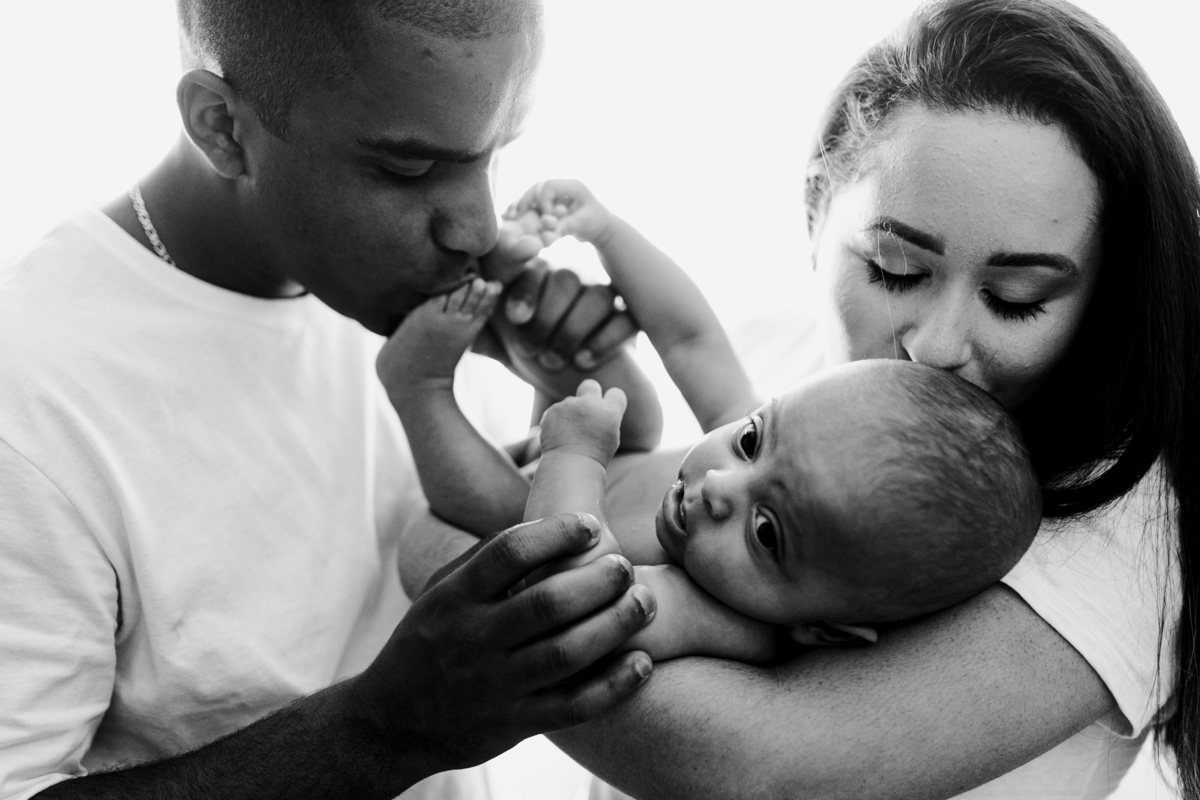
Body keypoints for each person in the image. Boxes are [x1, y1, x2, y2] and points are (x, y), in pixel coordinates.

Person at [397, 0, 1200, 796]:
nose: (937, 347)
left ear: (1110, 299)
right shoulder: (796, 377)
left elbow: (742, 764)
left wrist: (461, 533)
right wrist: (571, 341)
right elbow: (688, 347)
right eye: (895, 269)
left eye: (1017, 297)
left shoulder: (1122, 516)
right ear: (817, 210)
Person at [0, 1, 662, 798]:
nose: (479, 228)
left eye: (494, 153)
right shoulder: (31, 394)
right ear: (221, 127)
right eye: (411, 170)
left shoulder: (412, 293)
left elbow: (507, 535)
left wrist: (565, 397)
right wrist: (381, 729)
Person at [383, 180, 1042, 655]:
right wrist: (606, 231)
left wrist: (574, 455)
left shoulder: (719, 618)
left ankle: (419, 384)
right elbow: (691, 338)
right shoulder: (776, 457)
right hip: (611, 456)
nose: (722, 485)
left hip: (547, 499)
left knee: (502, 511)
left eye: (766, 532)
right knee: (634, 412)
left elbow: (572, 594)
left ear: (823, 630)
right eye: (751, 440)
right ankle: (534, 324)